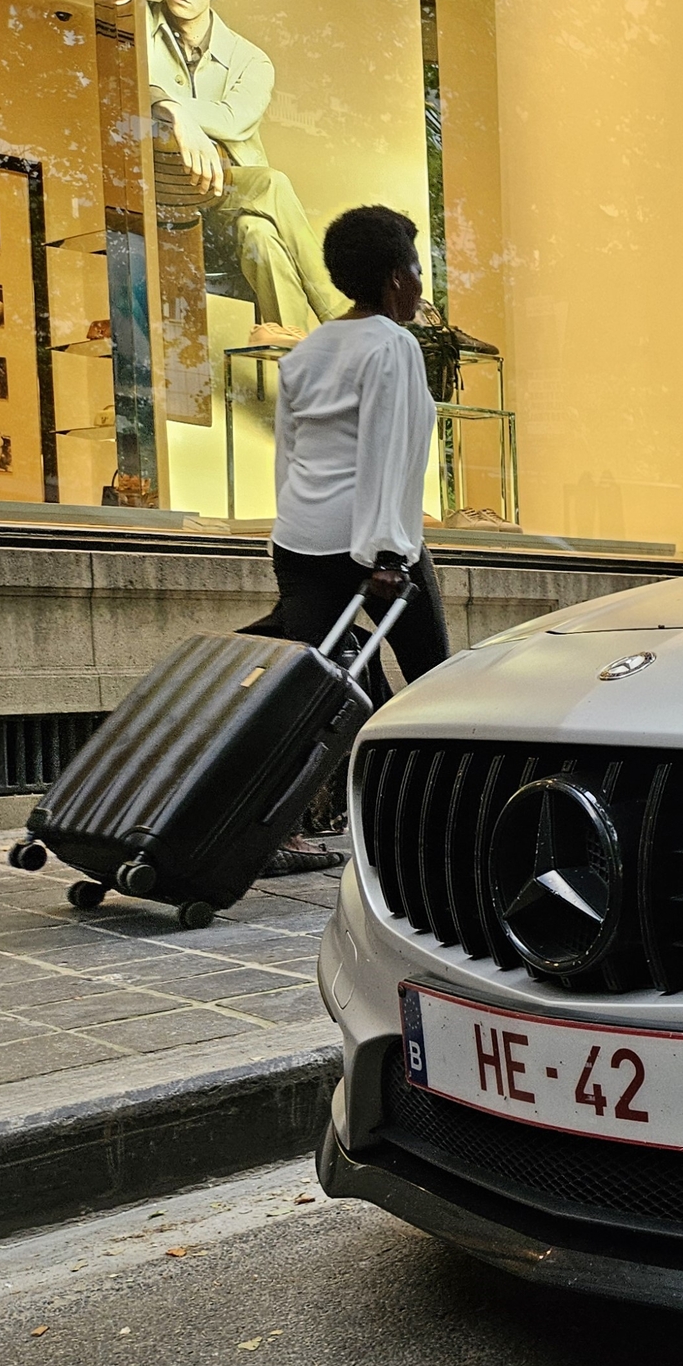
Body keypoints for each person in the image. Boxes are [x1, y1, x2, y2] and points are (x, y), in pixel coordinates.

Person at [260, 206, 450, 872]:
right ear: (396, 278)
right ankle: (436, 813)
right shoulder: (391, 345)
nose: (421, 287)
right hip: (375, 545)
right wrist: (389, 553)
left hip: (300, 539)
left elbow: (289, 455)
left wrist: (292, 533)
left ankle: (274, 829)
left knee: (312, 691)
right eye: (418, 271)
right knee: (434, 679)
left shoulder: (305, 349)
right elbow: (385, 452)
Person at [144, 0, 347, 340]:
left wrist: (168, 103)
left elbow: (235, 121)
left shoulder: (251, 59)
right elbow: (122, 82)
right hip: (162, 194)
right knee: (272, 188)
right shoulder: (135, 25)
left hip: (228, 192)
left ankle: (293, 340)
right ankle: (343, 322)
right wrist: (172, 110)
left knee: (259, 232)